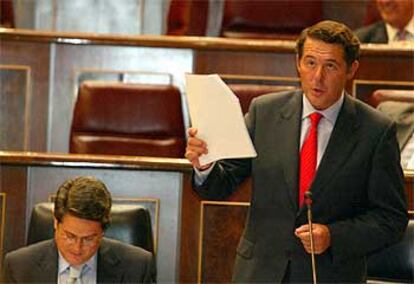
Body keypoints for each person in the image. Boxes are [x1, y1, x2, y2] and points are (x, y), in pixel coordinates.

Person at [185, 20, 408, 282]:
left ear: (351, 69)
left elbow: (390, 220)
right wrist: (205, 165)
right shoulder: (264, 112)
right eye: (310, 62)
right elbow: (219, 185)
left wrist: (333, 236)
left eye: (330, 66)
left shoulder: (375, 131)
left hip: (329, 275)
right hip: (260, 273)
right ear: (298, 63)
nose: (317, 77)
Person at [1, 176, 156, 283]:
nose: (77, 248)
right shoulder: (19, 267)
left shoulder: (137, 267)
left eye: (88, 239)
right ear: (56, 223)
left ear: (102, 232)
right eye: (70, 236)